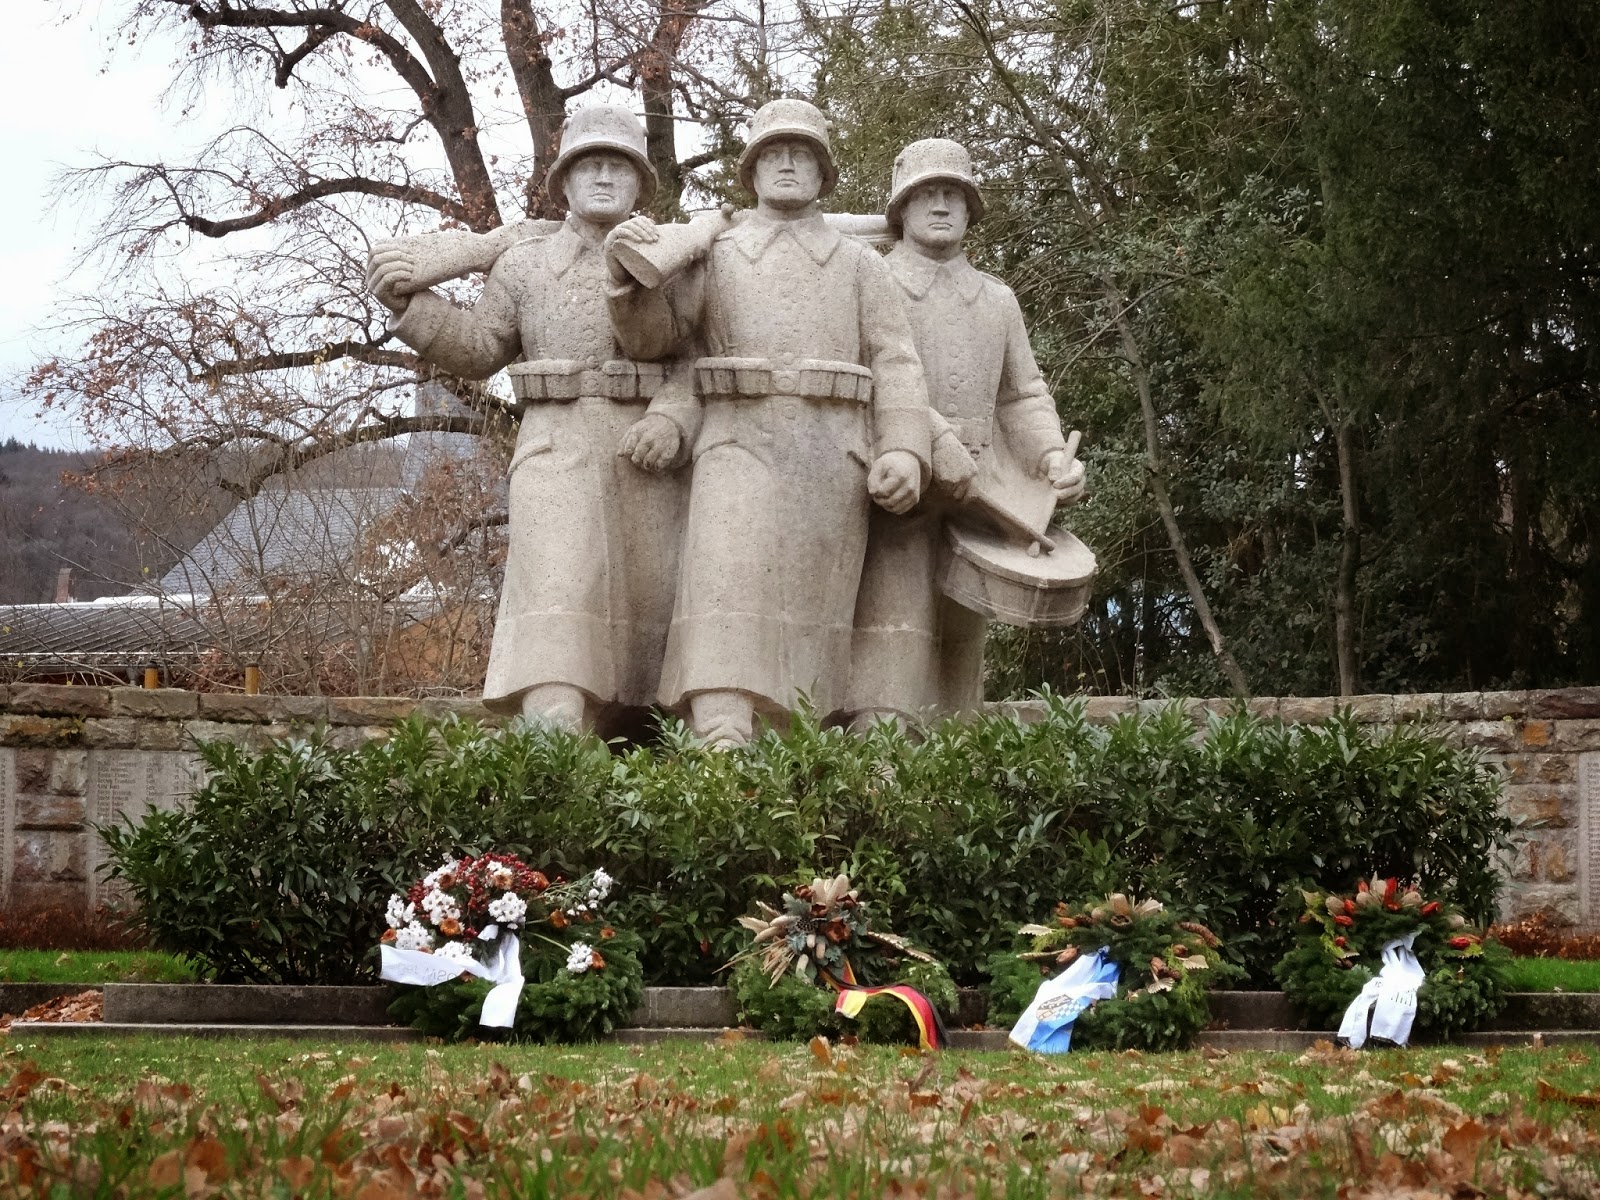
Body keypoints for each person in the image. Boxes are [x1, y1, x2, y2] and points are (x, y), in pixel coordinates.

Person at [605, 99, 933, 746]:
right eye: (773, 154)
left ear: (823, 173)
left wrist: (904, 450)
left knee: (812, 614)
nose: (786, 163)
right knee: (724, 581)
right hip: (734, 439)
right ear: (751, 172)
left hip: (832, 449)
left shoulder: (861, 265)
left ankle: (787, 750)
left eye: (801, 153)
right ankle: (721, 733)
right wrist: (627, 284)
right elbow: (663, 344)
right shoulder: (715, 254)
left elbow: (897, 364)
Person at [366, 104, 695, 733]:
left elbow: (697, 362)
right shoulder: (524, 264)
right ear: (564, 182)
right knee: (557, 595)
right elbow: (480, 346)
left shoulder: (672, 261)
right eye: (589, 164)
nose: (603, 176)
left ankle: (652, 769)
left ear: (639, 183)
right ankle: (552, 748)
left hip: (649, 455)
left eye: (618, 166)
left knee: (651, 621)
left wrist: (674, 420)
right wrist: (412, 307)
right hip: (556, 446)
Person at [845, 138, 1087, 726]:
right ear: (900, 208)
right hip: (895, 488)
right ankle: (873, 772)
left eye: (953, 193)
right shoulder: (871, 279)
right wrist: (925, 442)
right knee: (889, 637)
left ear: (971, 208)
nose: (941, 204)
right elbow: (863, 379)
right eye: (926, 193)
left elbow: (1022, 394)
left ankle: (951, 783)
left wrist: (1052, 456)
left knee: (959, 655)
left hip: (983, 496)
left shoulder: (996, 299)